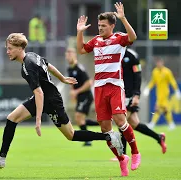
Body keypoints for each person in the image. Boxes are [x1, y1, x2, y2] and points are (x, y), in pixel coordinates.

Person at [0, 33, 123, 169]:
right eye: (7, 49)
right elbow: (48, 65)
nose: (7, 52)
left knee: (71, 135)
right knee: (11, 118)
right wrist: (62, 78)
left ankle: (108, 136)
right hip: (46, 97)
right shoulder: (32, 56)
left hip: (51, 101)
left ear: (19, 48)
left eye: (10, 49)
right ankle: (1, 158)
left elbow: (39, 93)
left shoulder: (28, 66)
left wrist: (37, 120)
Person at [76, 2, 140, 176]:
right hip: (99, 89)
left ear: (112, 26)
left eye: (104, 26)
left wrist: (123, 18)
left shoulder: (119, 38)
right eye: (99, 25)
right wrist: (80, 31)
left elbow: (132, 37)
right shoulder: (96, 41)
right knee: (106, 130)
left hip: (115, 86)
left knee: (120, 120)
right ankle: (122, 159)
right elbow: (81, 50)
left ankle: (135, 152)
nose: (100, 28)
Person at [107, 48, 167, 160]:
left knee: (122, 122)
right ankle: (159, 137)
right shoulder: (114, 53)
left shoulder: (132, 56)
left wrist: (136, 95)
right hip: (119, 93)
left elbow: (138, 76)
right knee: (134, 124)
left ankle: (122, 155)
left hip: (129, 95)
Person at [65, 47, 99, 146]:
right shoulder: (70, 68)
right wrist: (72, 92)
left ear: (75, 55)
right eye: (67, 54)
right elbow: (72, 82)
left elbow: (89, 83)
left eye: (70, 54)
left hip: (86, 95)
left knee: (79, 117)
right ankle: (101, 124)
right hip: (80, 96)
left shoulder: (79, 68)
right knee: (79, 119)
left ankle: (88, 140)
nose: (68, 56)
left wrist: (76, 91)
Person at [144, 57, 181, 130]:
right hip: (159, 93)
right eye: (157, 63)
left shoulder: (167, 71)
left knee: (159, 108)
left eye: (159, 62)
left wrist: (176, 90)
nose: (158, 64)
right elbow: (153, 81)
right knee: (164, 109)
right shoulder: (155, 71)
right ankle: (171, 124)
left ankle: (153, 123)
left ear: (162, 63)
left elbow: (172, 81)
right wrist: (148, 88)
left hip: (165, 93)